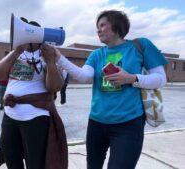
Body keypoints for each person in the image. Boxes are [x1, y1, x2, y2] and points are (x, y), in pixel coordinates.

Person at [53, 10, 167, 169]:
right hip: (96, 123)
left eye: (102, 25)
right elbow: (84, 76)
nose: (98, 30)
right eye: (97, 27)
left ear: (116, 25)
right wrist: (58, 57)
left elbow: (161, 79)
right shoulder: (96, 55)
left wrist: (132, 78)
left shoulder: (140, 46)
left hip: (128, 124)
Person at [0, 18, 68, 169]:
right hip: (10, 115)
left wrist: (51, 62)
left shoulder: (46, 55)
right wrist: (16, 51)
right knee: (11, 156)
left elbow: (54, 87)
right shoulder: (16, 55)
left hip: (35, 119)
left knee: (36, 162)